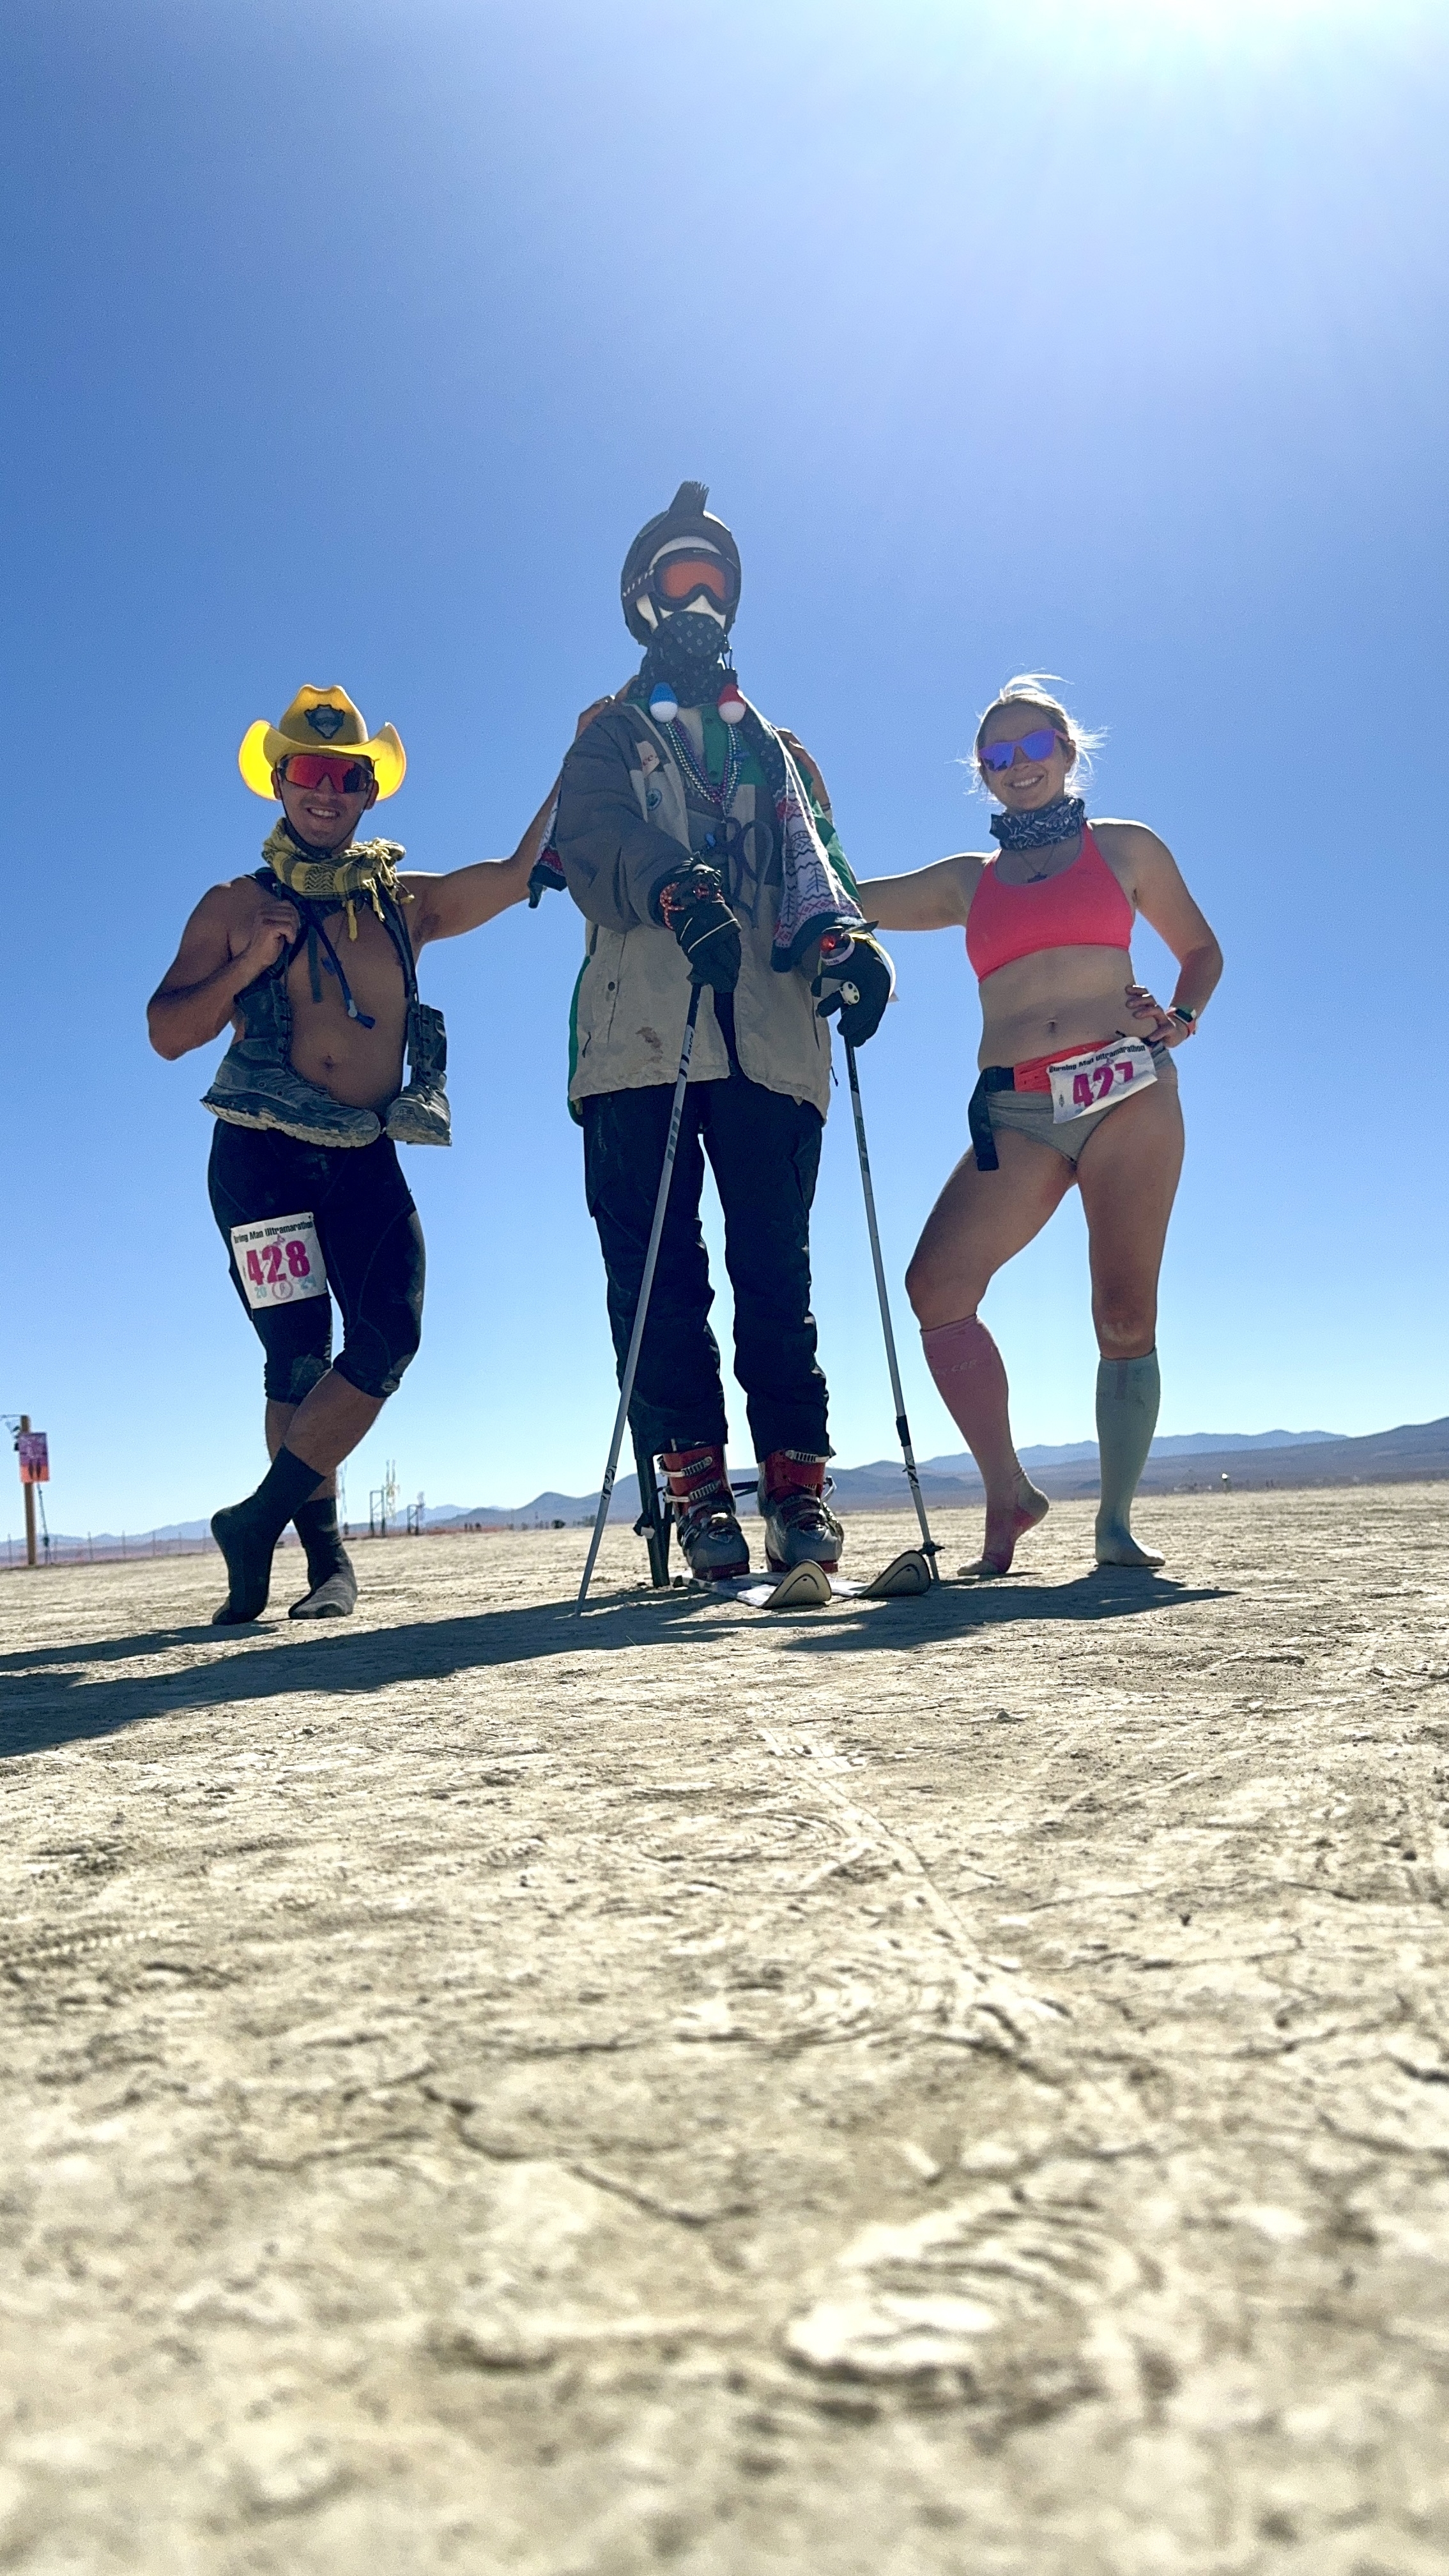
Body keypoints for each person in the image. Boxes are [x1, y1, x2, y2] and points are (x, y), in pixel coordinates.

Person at [545, 482, 894, 1580]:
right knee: (657, 1272)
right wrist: (671, 887)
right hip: (640, 1030)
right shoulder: (605, 737)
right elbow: (590, 837)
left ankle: (798, 1488)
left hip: (769, 1036)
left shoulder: (777, 752)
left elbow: (820, 861)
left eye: (716, 586)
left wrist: (845, 945)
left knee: (775, 1267)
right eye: (678, 583)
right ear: (642, 602)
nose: (700, 602)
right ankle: (693, 1492)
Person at [148, 684, 553, 1623]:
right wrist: (247, 967)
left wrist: (582, 758)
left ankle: (255, 1521)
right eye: (308, 773)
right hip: (259, 1159)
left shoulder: (408, 906)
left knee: (389, 1336)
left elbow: (519, 869)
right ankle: (323, 1567)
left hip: (363, 1154)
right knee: (295, 1360)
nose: (326, 791)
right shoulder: (232, 904)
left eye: (346, 775)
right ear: (279, 783)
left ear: (370, 791)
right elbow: (167, 1032)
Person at [857, 676, 1222, 1574]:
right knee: (936, 1286)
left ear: (1065, 752)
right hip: (1018, 1107)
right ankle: (1010, 1491)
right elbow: (843, 896)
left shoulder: (1126, 847)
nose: (1017, 767)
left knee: (1123, 1312)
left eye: (1032, 749)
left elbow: (1202, 951)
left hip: (1126, 1089)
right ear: (983, 773)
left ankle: (1117, 1524)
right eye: (997, 756)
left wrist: (1181, 1017)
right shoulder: (963, 882)